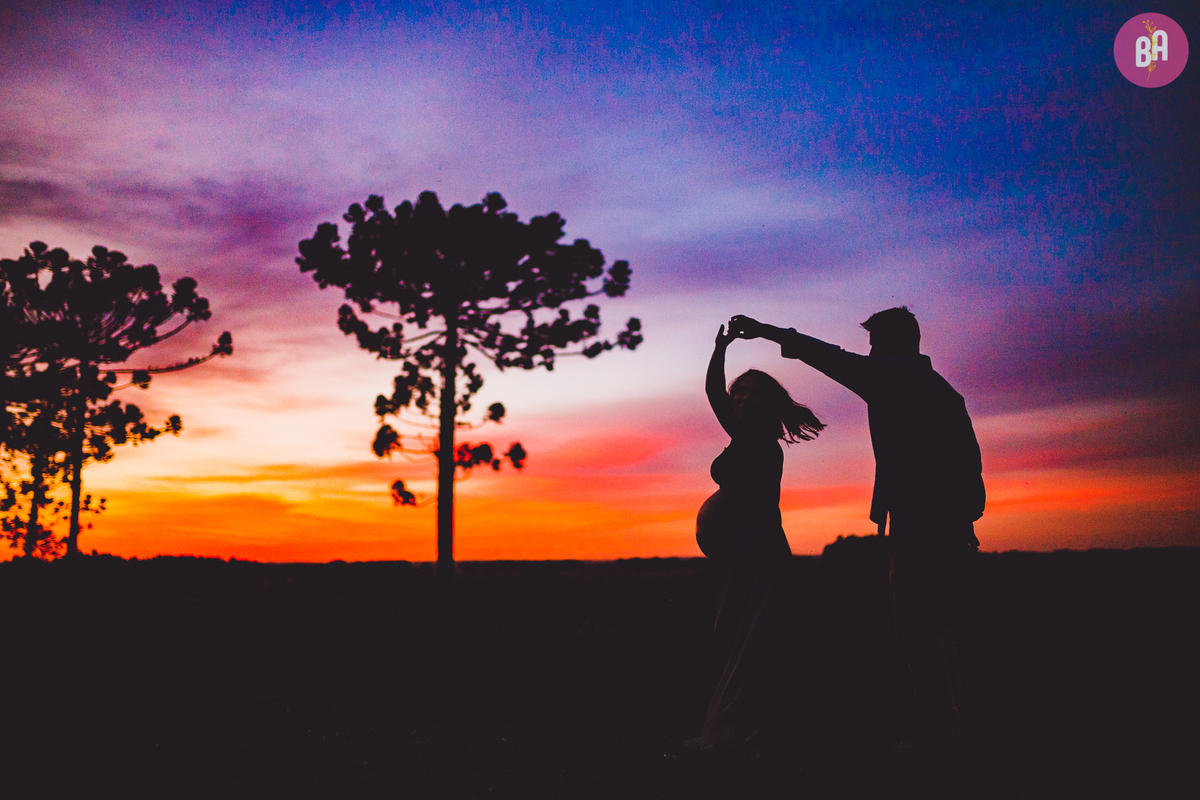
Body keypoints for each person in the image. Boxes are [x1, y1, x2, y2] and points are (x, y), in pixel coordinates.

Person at [728, 307, 985, 755]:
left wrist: (765, 331)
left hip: (919, 521)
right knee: (938, 625)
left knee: (916, 624)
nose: (868, 351)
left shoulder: (890, 377)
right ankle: (951, 724)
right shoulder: (946, 393)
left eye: (873, 342)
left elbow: (824, 355)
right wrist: (966, 518)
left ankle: (941, 733)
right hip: (947, 522)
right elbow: (970, 462)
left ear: (888, 343)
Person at [688, 322, 824, 756]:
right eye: (739, 393)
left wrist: (721, 349)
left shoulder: (759, 441)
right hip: (742, 557)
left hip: (757, 556)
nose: (741, 398)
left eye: (752, 393)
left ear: (769, 403)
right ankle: (748, 731)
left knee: (748, 642)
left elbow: (713, 396)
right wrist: (720, 349)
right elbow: (715, 391)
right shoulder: (745, 436)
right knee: (736, 639)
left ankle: (739, 735)